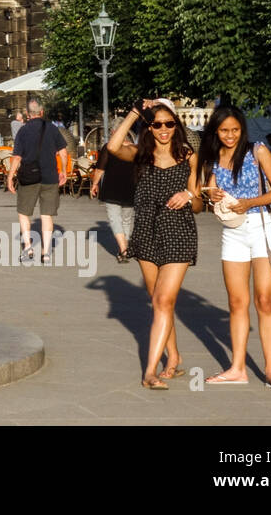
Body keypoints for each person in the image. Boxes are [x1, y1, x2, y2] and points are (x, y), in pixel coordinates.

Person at [107, 98, 202, 390]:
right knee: (158, 301)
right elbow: (112, 147)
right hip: (146, 232)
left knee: (164, 300)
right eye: (157, 124)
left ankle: (150, 371)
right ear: (149, 127)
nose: (164, 129)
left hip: (178, 232)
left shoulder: (189, 156)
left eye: (169, 124)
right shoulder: (140, 155)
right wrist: (135, 112)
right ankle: (173, 356)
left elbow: (198, 204)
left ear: (176, 125)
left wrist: (189, 195)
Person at [198, 105, 271, 390]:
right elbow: (210, 194)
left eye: (235, 130)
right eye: (224, 130)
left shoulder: (258, 151)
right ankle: (238, 368)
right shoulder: (214, 158)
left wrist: (249, 202)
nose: (230, 136)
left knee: (264, 300)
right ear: (216, 130)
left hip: (261, 228)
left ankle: (270, 369)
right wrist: (210, 193)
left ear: (242, 129)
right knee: (237, 303)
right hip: (232, 232)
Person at [6, 98, 68, 263]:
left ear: (27, 114)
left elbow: (17, 157)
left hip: (29, 177)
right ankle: (46, 253)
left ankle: (28, 247)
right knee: (47, 214)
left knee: (24, 212)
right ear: (42, 112)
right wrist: (63, 171)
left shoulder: (23, 131)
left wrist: (10, 176)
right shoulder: (53, 129)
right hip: (50, 177)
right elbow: (63, 153)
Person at [91, 134, 136, 263]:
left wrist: (95, 184)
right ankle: (125, 247)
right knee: (127, 219)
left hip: (112, 188)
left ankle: (123, 249)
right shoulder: (136, 149)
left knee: (115, 218)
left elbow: (100, 169)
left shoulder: (109, 147)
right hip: (131, 188)